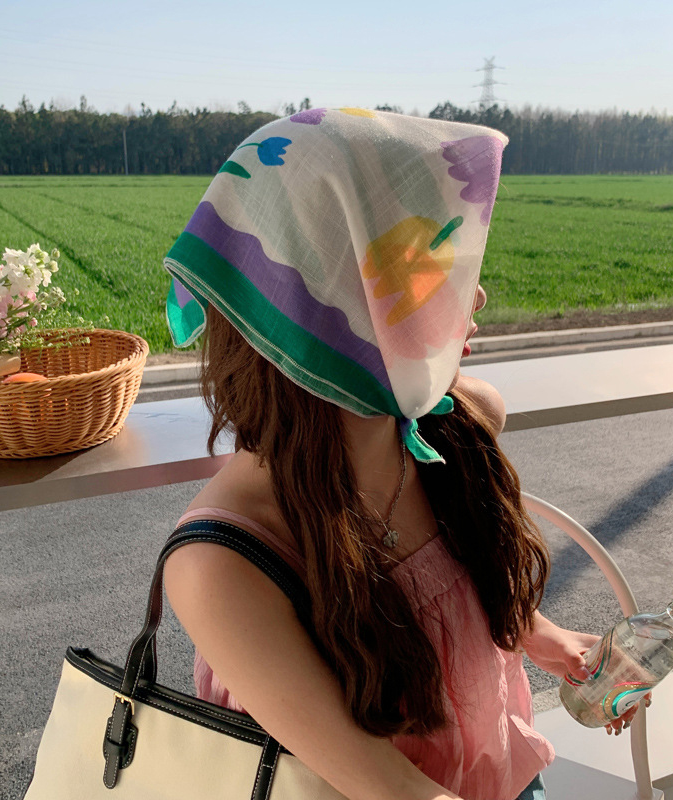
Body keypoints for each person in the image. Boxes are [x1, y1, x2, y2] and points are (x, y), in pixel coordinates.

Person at [162, 108, 638, 800]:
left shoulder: (454, 428)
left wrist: (538, 634)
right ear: (341, 301)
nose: (476, 296)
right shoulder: (221, 564)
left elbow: (448, 591)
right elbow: (393, 789)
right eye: (435, 267)